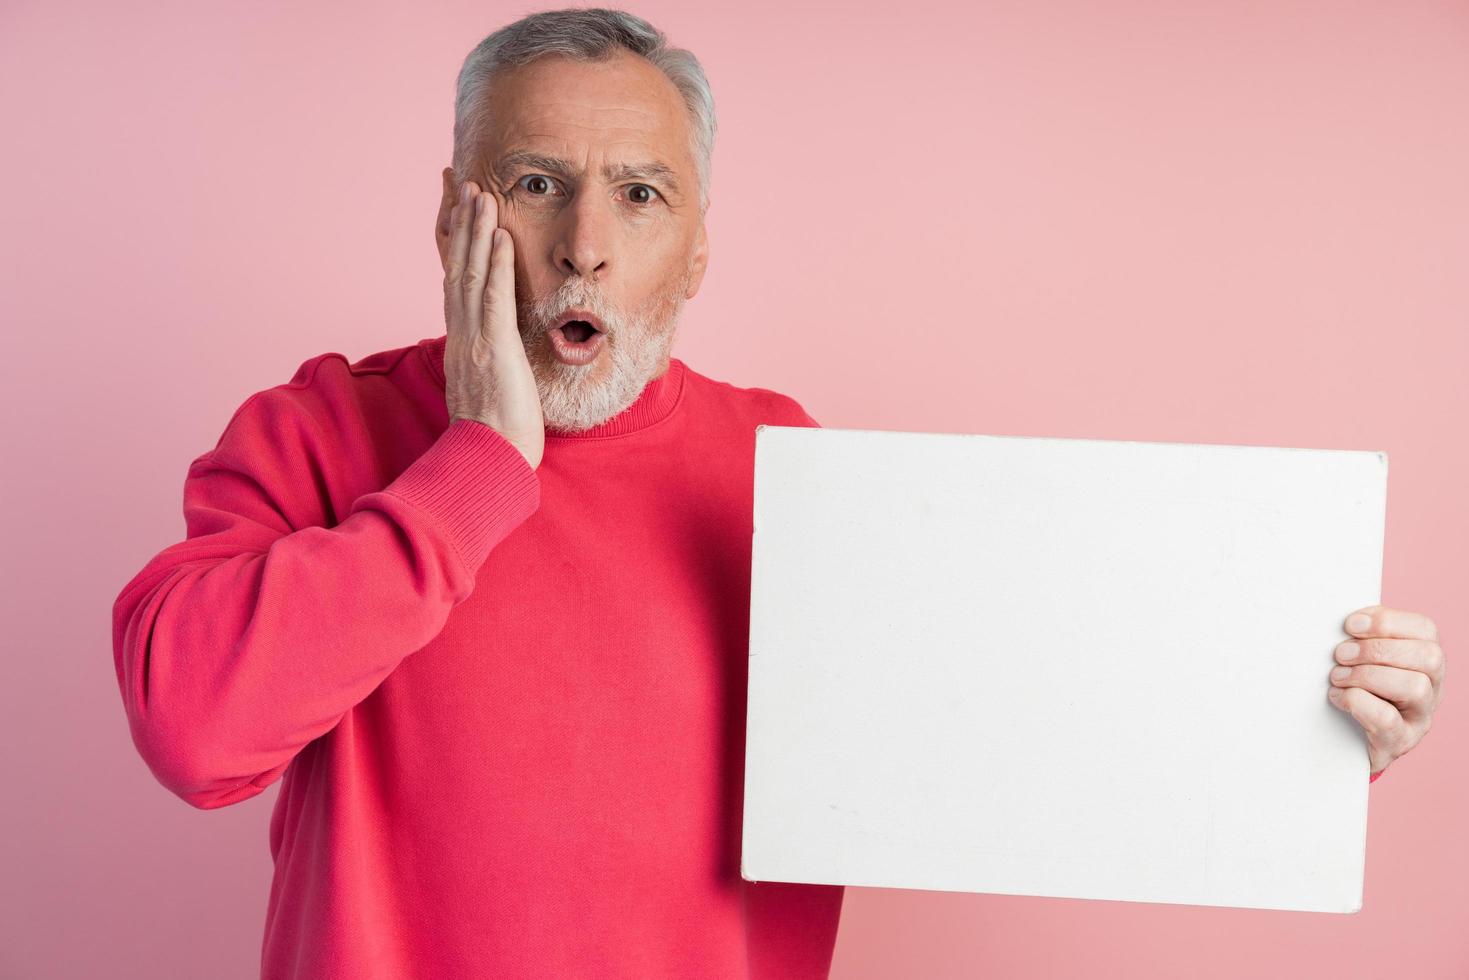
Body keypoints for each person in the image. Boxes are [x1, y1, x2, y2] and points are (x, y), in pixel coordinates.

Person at [111, 8, 1446, 979]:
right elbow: (192, 730)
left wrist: (1298, 743)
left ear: (695, 250)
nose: (583, 245)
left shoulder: (791, 470)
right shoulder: (318, 431)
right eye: (535, 186)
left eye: (638, 197)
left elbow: (1016, 736)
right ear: (454, 212)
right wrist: (476, 468)